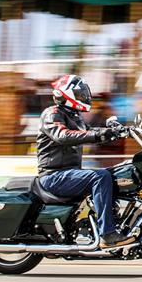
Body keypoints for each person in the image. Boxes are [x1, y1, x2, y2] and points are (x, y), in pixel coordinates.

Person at [36, 75, 133, 249]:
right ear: (65, 94)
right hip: (53, 176)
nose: (84, 97)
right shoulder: (52, 114)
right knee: (100, 177)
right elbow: (63, 135)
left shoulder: (74, 116)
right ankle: (107, 234)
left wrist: (115, 132)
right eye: (79, 93)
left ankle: (120, 222)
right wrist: (98, 135)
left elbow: (90, 131)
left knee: (116, 172)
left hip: (68, 174)